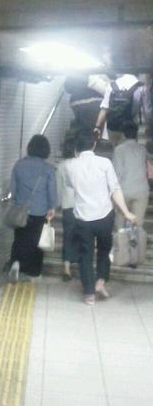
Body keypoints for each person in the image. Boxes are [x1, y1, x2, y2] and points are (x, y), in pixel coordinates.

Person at [64, 128, 137, 304]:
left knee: (85, 255)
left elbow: (71, 186)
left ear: (76, 147)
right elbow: (115, 189)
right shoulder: (104, 163)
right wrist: (126, 212)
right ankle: (101, 282)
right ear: (94, 144)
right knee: (104, 250)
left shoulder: (69, 166)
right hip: (104, 216)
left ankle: (89, 294)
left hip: (82, 218)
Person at [7, 134, 57, 282]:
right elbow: (52, 191)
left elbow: (12, 188)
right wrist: (52, 207)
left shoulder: (19, 165)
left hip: (21, 210)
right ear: (46, 150)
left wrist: (15, 203)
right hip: (40, 211)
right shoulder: (48, 169)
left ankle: (16, 263)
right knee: (37, 243)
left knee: (19, 238)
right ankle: (34, 273)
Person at [111, 121, 149, 234]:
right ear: (136, 133)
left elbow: (117, 173)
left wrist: (112, 193)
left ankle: (122, 243)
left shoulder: (119, 150)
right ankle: (137, 243)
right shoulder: (142, 149)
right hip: (141, 190)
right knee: (138, 224)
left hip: (123, 191)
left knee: (120, 225)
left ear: (123, 134)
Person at [56, 136, 77, 281]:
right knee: (83, 236)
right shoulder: (81, 165)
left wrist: (57, 204)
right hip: (83, 206)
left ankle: (67, 269)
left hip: (67, 206)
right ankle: (82, 263)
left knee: (68, 237)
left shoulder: (61, 166)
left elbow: (58, 188)